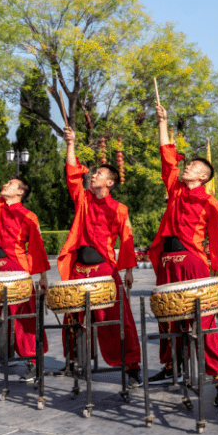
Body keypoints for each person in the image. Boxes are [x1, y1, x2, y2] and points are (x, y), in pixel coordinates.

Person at [146, 103, 218, 407]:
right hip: (167, 263)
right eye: (188, 166)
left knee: (202, 322)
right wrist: (163, 123)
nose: (187, 169)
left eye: (194, 168)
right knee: (169, 320)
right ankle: (171, 368)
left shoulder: (210, 202)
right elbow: (167, 159)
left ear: (203, 177)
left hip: (192, 262)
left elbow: (217, 240)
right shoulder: (175, 191)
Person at [56, 125, 142, 385]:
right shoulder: (83, 199)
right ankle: (75, 360)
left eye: (99, 174)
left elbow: (126, 242)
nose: (93, 176)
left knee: (114, 319)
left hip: (104, 269)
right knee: (74, 318)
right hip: (77, 269)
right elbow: (73, 174)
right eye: (93, 174)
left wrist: (127, 270)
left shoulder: (119, 209)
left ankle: (130, 365)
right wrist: (70, 143)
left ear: (110, 182)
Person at [0, 138, 50, 382]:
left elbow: (37, 248)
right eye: (6, 183)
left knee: (23, 317)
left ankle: (34, 360)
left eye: (11, 183)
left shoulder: (28, 216)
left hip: (17, 267)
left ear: (20, 192)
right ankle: (3, 353)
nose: (5, 184)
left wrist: (43, 277)